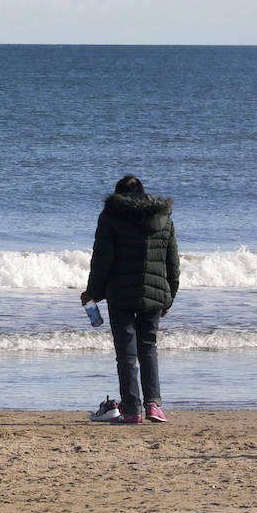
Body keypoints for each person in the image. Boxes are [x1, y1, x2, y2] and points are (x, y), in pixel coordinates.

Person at [81, 174, 179, 425]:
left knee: (126, 354)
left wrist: (93, 292)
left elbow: (102, 260)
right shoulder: (164, 219)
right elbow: (173, 263)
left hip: (120, 293)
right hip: (156, 295)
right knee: (149, 348)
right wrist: (169, 298)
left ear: (118, 196)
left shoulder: (111, 217)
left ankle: (133, 410)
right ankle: (154, 405)